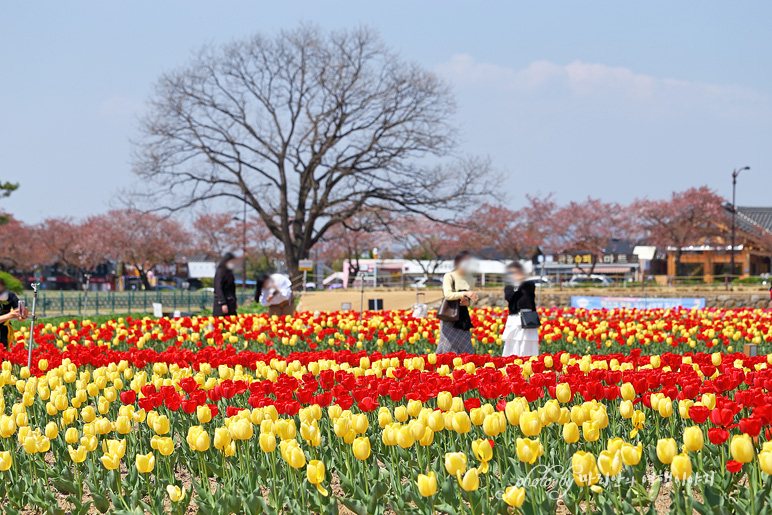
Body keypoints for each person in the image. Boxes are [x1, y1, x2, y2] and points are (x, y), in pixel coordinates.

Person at [436, 251, 478, 354]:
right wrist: (464, 294)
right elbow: (448, 295)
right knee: (448, 346)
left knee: (466, 346)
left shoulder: (470, 278)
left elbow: (471, 297)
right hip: (449, 314)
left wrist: (468, 303)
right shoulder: (449, 276)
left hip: (463, 316)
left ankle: (464, 368)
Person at [502, 261, 539, 357]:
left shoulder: (529, 284)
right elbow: (509, 298)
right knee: (513, 342)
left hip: (528, 317)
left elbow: (530, 295)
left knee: (528, 342)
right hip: (514, 317)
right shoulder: (509, 286)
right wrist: (516, 284)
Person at [0, 278, 25, 346]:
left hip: (4, 331)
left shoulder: (10, 296)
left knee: (3, 354)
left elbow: (20, 318)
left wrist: (23, 315)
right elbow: (10, 315)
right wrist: (9, 315)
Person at [213, 252, 238, 317]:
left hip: (230, 302)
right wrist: (223, 303)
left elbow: (232, 288)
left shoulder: (230, 272)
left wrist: (235, 300)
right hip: (222, 304)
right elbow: (218, 287)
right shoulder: (221, 271)